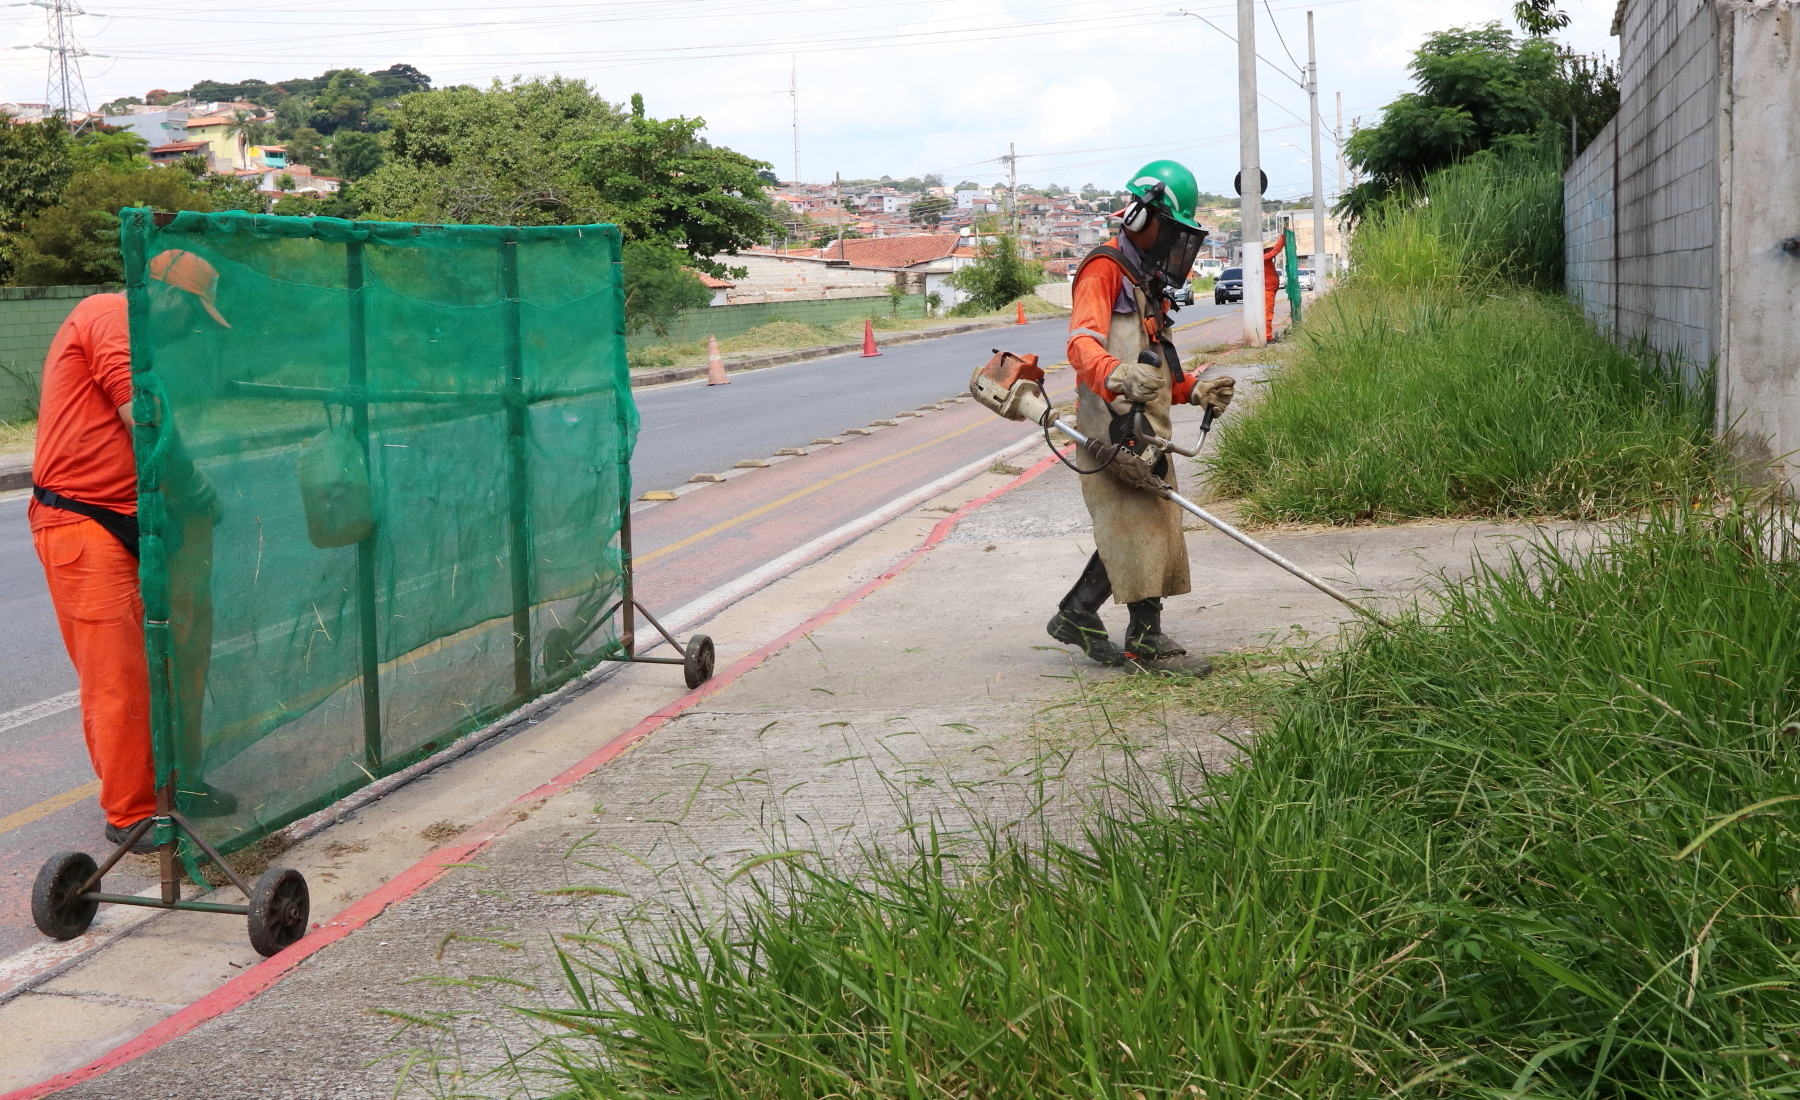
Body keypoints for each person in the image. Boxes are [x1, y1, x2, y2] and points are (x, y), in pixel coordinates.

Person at [31, 250, 231, 854]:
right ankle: (132, 812)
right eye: (193, 315)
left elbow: (160, 430)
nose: (194, 328)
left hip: (142, 521)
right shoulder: (108, 313)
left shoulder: (148, 353)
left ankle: (181, 784)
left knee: (182, 654)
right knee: (119, 676)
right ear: (167, 294)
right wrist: (196, 491)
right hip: (82, 523)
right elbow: (141, 423)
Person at [1049, 160, 1236, 672]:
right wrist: (1114, 374)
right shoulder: (1103, 269)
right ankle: (1144, 638)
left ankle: (1077, 613)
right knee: (1137, 521)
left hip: (1146, 424)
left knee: (1143, 522)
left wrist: (1194, 389)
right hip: (1110, 423)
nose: (1172, 243)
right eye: (1170, 228)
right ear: (1139, 215)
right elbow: (1081, 341)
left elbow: (1157, 369)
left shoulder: (1146, 281)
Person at [1262, 233, 1284, 343]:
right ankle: (1267, 336)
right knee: (1268, 313)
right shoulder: (1264, 258)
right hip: (1268, 290)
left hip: (1270, 290)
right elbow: (1276, 251)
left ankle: (1267, 335)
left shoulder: (1266, 260)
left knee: (1268, 313)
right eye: (1269, 249)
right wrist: (1283, 238)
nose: (1271, 250)